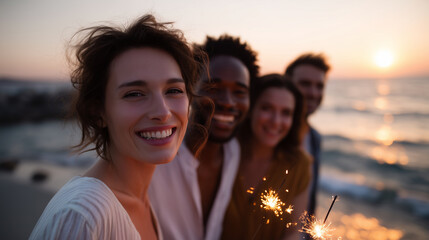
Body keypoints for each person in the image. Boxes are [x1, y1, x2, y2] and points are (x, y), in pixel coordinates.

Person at [29, 14, 202, 240]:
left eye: (174, 90)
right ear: (98, 112)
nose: (163, 112)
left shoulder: (140, 198)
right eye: (134, 94)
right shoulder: (85, 216)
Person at [148, 34, 259, 240]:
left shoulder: (233, 151)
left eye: (240, 92)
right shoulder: (155, 160)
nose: (227, 102)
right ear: (190, 89)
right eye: (213, 88)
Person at [221, 74, 311, 240]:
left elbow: (293, 232)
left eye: (286, 113)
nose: (276, 121)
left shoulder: (299, 164)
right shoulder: (223, 153)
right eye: (266, 108)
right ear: (250, 109)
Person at [285, 53, 331, 218]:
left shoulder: (315, 138)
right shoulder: (271, 134)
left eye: (319, 86)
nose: (313, 93)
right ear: (287, 84)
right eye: (305, 84)